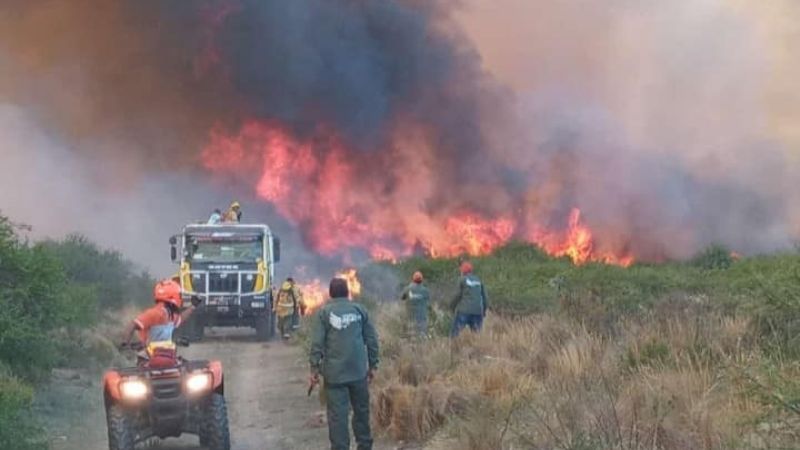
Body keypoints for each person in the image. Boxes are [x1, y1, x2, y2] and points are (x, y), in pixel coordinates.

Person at [309, 277, 379, 450]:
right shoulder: (359, 310)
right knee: (362, 412)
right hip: (358, 373)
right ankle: (364, 445)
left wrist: (314, 369)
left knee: (338, 417)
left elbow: (317, 343)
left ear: (331, 293)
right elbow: (372, 339)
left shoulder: (324, 313)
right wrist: (373, 365)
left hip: (335, 375)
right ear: (348, 292)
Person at [121, 279, 200, 365]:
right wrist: (125, 345)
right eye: (179, 295)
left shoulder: (170, 314)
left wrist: (193, 306)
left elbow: (180, 319)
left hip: (168, 357)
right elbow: (132, 325)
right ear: (173, 296)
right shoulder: (155, 313)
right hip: (148, 358)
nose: (181, 298)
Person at [449, 261, 488, 337]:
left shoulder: (462, 280)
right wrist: (484, 310)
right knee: (477, 336)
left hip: (464, 311)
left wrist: (452, 307)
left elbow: (457, 295)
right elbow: (485, 297)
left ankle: (452, 347)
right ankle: (479, 348)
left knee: (455, 334)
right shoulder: (479, 280)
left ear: (463, 271)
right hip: (477, 311)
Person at [400, 271, 430, 338]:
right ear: (422, 280)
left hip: (410, 317)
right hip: (422, 317)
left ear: (413, 279)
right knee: (422, 335)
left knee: (410, 335)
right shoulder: (425, 290)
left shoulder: (407, 289)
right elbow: (428, 300)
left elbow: (402, 298)